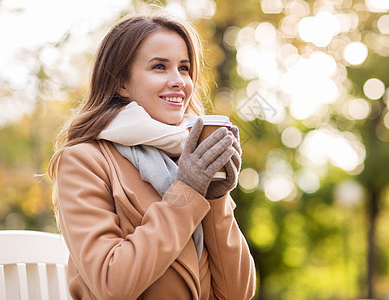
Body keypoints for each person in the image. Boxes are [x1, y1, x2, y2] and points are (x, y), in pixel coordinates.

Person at [48, 10, 256, 300]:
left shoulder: (190, 155)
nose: (179, 81)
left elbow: (237, 293)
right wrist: (187, 191)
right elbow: (112, 284)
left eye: (184, 68)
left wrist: (215, 199)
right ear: (121, 82)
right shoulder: (84, 160)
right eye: (160, 67)